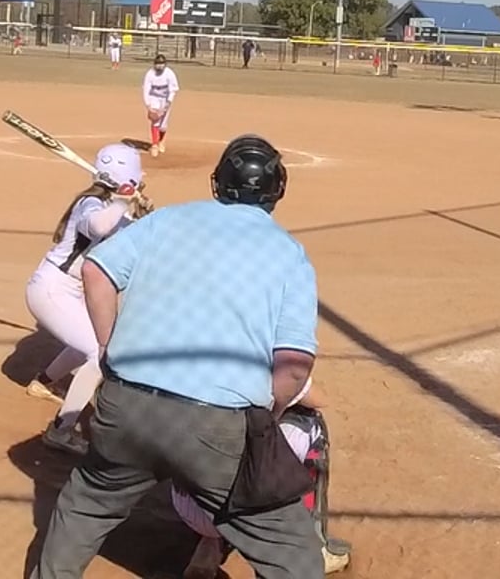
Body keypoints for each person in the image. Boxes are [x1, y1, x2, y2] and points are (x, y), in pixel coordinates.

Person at [32, 135, 322, 579]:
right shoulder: (290, 254)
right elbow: (295, 365)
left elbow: (96, 269)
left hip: (127, 406)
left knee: (86, 504)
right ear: (277, 190)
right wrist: (267, 417)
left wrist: (108, 348)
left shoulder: (167, 219)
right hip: (218, 425)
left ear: (217, 183)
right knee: (292, 553)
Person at [24, 143, 148, 456]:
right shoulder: (90, 204)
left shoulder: (113, 208)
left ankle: (43, 381)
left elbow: (135, 237)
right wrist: (122, 201)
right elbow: (97, 226)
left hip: (72, 290)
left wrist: (144, 215)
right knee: (100, 352)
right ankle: (60, 431)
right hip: (52, 288)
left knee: (90, 343)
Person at [171, 376, 349, 577]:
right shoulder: (265, 364)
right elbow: (319, 399)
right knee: (309, 420)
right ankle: (314, 546)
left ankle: (210, 545)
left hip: (190, 508)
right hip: (251, 512)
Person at [142, 53, 180, 154]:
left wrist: (166, 106)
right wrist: (148, 106)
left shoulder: (169, 74)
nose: (159, 66)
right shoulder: (150, 74)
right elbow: (146, 90)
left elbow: (173, 90)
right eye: (157, 63)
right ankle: (154, 144)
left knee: (163, 125)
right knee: (155, 121)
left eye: (162, 63)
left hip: (165, 99)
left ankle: (161, 141)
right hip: (154, 98)